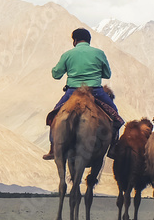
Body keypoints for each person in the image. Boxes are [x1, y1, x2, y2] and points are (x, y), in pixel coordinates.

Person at [43, 27, 121, 160]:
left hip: (73, 92)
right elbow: (107, 74)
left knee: (54, 115)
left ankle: (53, 148)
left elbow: (56, 75)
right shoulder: (99, 53)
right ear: (89, 41)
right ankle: (113, 147)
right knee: (115, 116)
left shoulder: (67, 54)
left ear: (75, 41)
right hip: (95, 91)